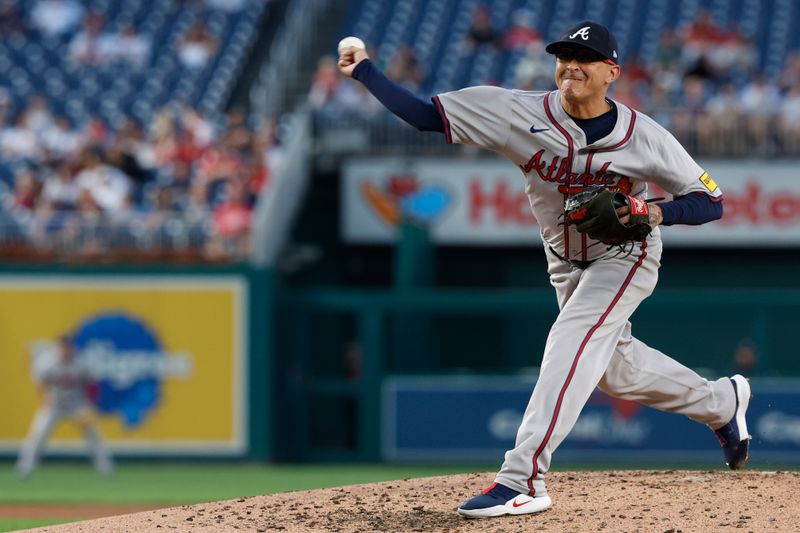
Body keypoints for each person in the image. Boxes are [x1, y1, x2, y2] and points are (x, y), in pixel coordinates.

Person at [338, 20, 750, 519]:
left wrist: (655, 211)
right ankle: (721, 403)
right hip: (564, 262)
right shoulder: (517, 112)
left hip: (625, 256)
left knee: (569, 340)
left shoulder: (643, 135)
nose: (571, 65)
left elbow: (711, 200)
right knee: (613, 372)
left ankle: (522, 478)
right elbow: (427, 117)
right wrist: (366, 72)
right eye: (564, 57)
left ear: (611, 72)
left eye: (585, 58)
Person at [16, 335, 114, 478]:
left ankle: (105, 468)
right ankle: (25, 467)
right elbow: (40, 384)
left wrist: (90, 405)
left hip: (77, 404)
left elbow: (92, 384)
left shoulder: (81, 362)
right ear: (58, 347)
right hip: (54, 404)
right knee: (38, 434)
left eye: (68, 347)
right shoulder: (47, 362)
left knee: (93, 435)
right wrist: (45, 401)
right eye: (63, 347)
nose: (65, 350)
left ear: (71, 348)